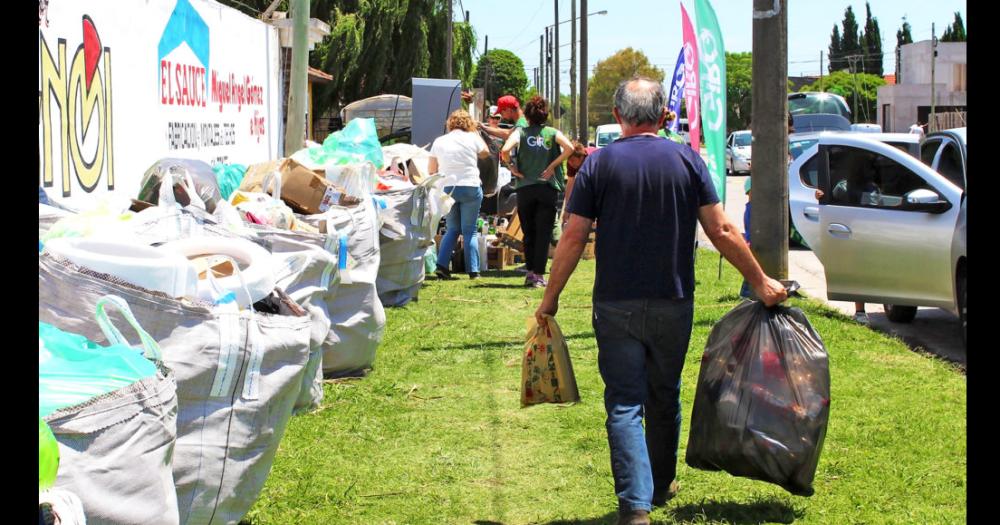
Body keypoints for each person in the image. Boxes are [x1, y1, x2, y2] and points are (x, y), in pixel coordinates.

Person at [534, 77, 787, 525]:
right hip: (674, 300)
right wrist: (761, 281)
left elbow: (573, 236)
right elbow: (723, 230)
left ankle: (635, 507)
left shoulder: (598, 165)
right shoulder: (687, 159)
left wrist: (550, 299)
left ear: (618, 116)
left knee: (625, 402)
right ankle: (663, 481)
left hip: (616, 304)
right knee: (663, 394)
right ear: (659, 116)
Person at [501, 96, 574, 288]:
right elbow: (570, 148)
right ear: (545, 115)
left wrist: (512, 168)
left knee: (529, 231)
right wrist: (553, 166)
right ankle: (539, 275)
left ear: (527, 115)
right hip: (547, 187)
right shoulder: (552, 132)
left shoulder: (520, 133)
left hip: (525, 188)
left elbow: (505, 150)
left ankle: (530, 272)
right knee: (543, 232)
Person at [428, 109, 491, 280]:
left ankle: (441, 266)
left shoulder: (439, 141)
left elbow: (431, 170)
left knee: (452, 229)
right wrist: (476, 133)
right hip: (470, 185)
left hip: (448, 188)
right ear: (469, 124)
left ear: (450, 123)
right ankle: (473, 271)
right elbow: (485, 152)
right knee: (469, 230)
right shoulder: (472, 137)